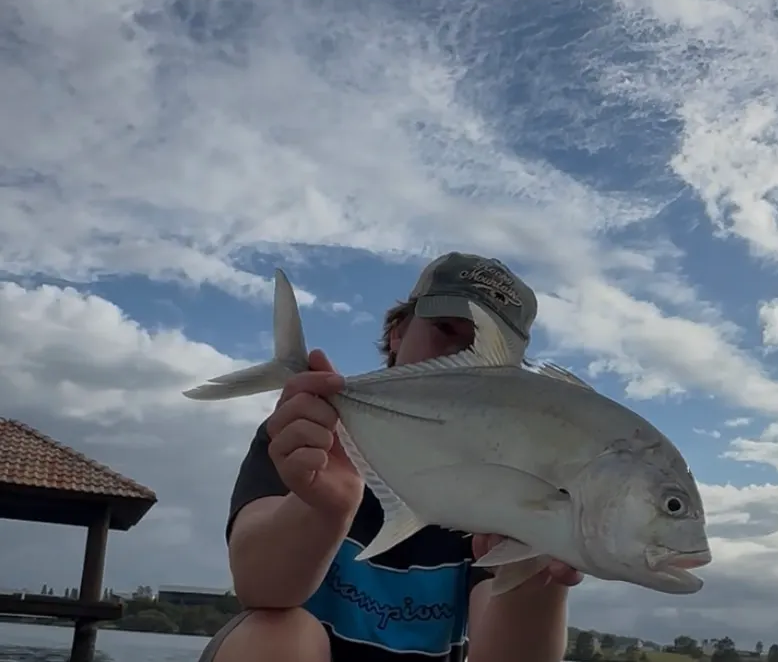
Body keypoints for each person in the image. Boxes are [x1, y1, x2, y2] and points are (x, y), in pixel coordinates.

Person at [200, 251, 583, 662]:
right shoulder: (311, 436)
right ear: (398, 333)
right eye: (445, 330)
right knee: (275, 633)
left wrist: (536, 576)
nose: (462, 361)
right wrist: (325, 508)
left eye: (486, 351)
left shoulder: (506, 485)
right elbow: (261, 588)